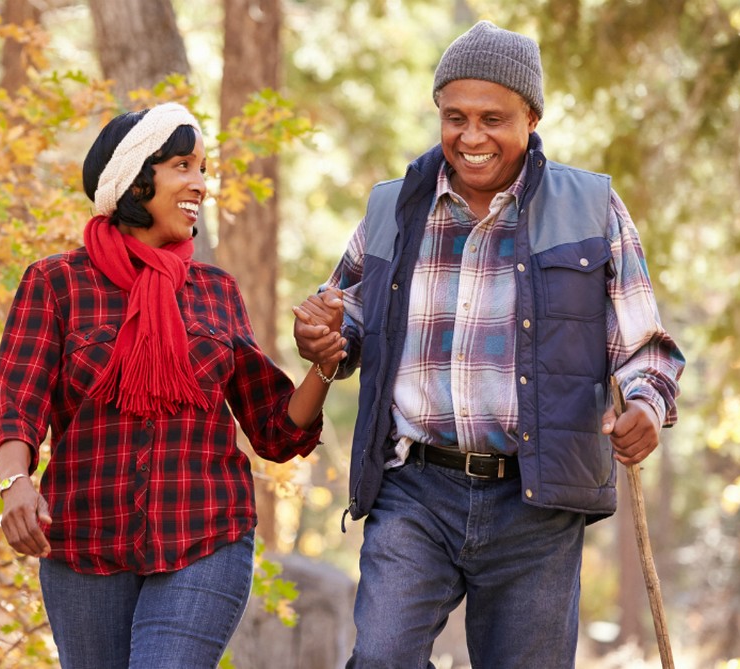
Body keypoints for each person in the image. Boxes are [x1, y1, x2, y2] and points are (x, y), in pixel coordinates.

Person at [293, 20, 686, 668]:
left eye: (492, 118)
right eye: (456, 117)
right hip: (414, 488)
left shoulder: (591, 207)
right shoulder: (393, 208)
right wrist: (324, 332)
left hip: (535, 500)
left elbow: (646, 346)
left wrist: (646, 404)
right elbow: (349, 314)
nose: (471, 137)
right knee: (381, 657)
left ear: (531, 116)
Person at [0, 102, 345, 669]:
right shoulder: (56, 283)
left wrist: (322, 364)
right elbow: (16, 401)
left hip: (206, 534)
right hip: (83, 541)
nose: (200, 184)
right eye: (184, 166)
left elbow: (274, 429)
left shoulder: (215, 290)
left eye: (203, 169)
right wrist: (16, 484)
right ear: (135, 179)